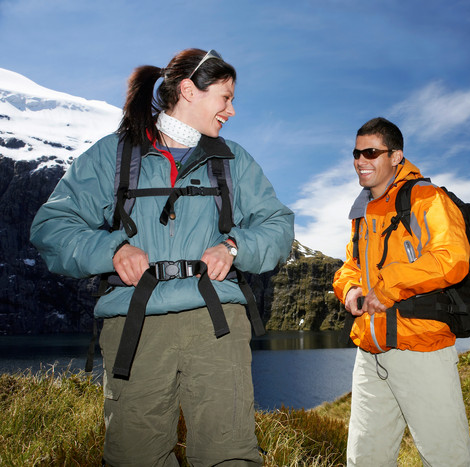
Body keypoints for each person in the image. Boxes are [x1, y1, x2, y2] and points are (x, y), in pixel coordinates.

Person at [30, 48, 294, 466]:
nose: (232, 110)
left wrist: (235, 246)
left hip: (216, 325)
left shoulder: (233, 160)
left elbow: (277, 225)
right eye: (225, 98)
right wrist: (112, 248)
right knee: (134, 458)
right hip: (134, 326)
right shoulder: (112, 156)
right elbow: (51, 228)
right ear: (189, 90)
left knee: (230, 456)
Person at [333, 117, 470, 466]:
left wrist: (388, 288)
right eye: (356, 152)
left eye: (371, 152)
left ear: (396, 156)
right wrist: (351, 288)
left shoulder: (427, 199)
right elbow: (351, 265)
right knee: (364, 459)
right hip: (371, 351)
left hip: (420, 348)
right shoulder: (363, 213)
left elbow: (451, 259)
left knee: (448, 458)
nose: (360, 160)